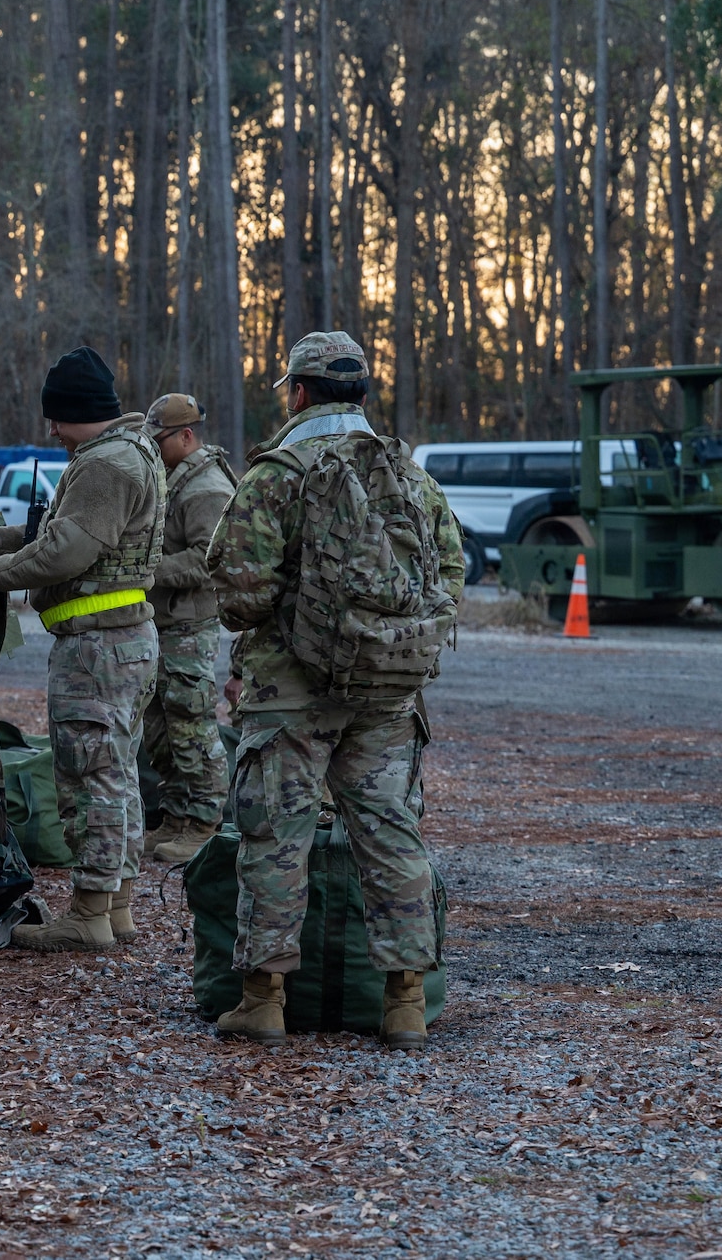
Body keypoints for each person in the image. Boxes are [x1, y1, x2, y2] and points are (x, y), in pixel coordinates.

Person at [205, 331, 463, 1051]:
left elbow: (239, 593)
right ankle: (405, 1001)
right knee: (389, 832)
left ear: (299, 392)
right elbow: (449, 577)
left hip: (290, 695)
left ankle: (263, 1000)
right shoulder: (411, 477)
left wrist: (303, 621)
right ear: (361, 396)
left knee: (276, 841)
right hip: (386, 694)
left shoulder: (276, 472)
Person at [0, 347, 166, 950]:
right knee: (117, 773)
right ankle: (115, 906)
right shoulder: (123, 454)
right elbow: (62, 528)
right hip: (120, 641)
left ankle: (88, 915)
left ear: (82, 411)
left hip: (98, 648)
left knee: (89, 778)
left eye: (57, 416)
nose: (49, 428)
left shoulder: (108, 465)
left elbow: (64, 553)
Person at [138, 393, 237, 870]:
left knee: (192, 724)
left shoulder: (206, 488)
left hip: (188, 626)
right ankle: (175, 815)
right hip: (163, 622)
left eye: (160, 440)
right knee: (161, 729)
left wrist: (145, 569)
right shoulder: (173, 479)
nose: (154, 449)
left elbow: (207, 559)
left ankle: (203, 822)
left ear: (186, 436)